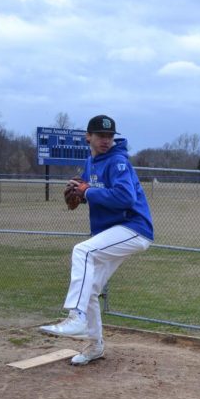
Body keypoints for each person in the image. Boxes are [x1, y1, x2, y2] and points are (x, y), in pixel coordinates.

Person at [39, 115, 154, 365]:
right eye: (101, 135)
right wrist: (81, 193)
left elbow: (125, 198)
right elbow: (93, 190)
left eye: (110, 136)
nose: (106, 140)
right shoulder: (91, 162)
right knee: (89, 288)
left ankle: (76, 316)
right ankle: (94, 346)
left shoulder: (118, 161)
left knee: (83, 252)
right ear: (88, 137)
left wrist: (88, 192)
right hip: (116, 230)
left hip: (134, 227)